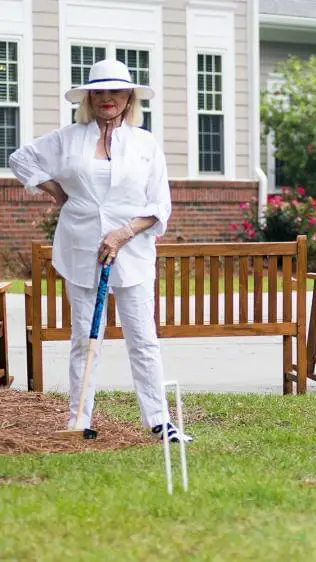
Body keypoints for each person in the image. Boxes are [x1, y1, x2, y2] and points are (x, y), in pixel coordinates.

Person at [9, 59, 192, 443]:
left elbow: (159, 206)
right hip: (81, 250)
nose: (108, 98)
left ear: (129, 98)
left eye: (116, 92)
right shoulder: (67, 139)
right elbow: (21, 160)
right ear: (89, 97)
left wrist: (122, 234)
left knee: (143, 338)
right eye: (100, 92)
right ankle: (79, 419)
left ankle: (158, 420)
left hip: (133, 252)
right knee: (83, 338)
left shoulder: (145, 143)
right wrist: (56, 190)